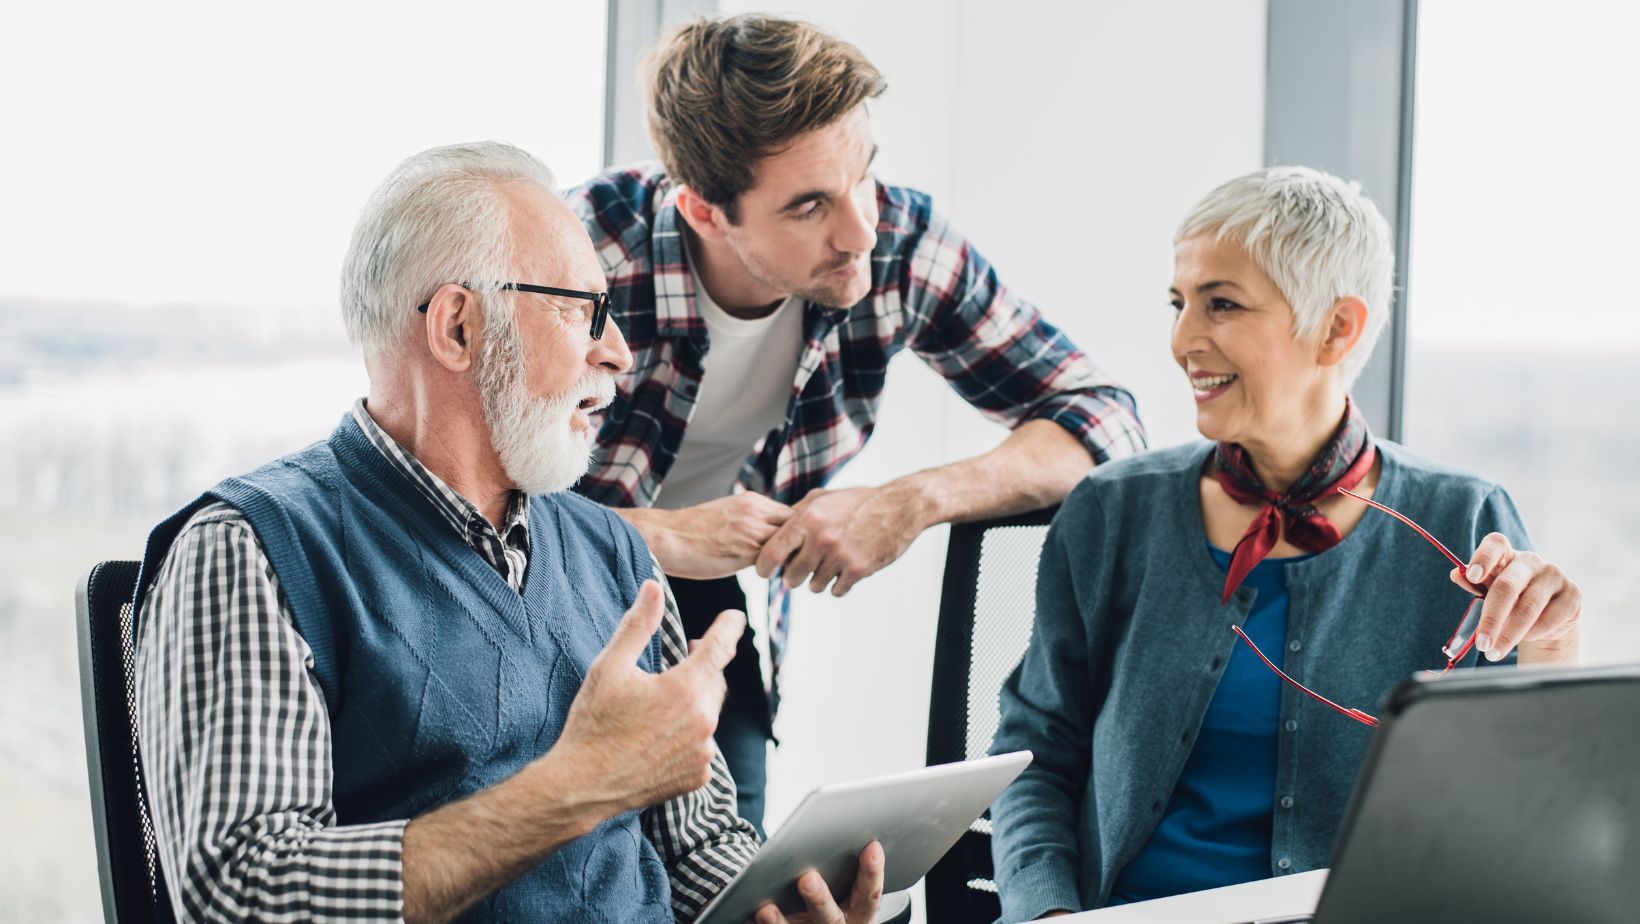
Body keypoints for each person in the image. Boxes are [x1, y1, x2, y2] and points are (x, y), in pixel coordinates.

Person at [133, 141, 884, 924]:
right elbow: (241, 895)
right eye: (579, 310)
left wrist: (783, 906)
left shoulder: (614, 551)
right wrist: (574, 789)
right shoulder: (249, 550)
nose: (618, 353)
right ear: (458, 327)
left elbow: (696, 847)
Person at [567, 13, 1148, 831]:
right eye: (809, 206)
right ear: (702, 211)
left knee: (734, 881)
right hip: (530, 600)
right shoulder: (583, 259)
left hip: (708, 605)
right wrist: (662, 539)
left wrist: (910, 500)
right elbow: (446, 512)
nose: (860, 231)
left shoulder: (899, 246)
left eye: (863, 176)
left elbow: (1104, 421)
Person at [988, 166, 1582, 921]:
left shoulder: (1462, 520)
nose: (1181, 341)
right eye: (1178, 304)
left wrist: (1552, 645)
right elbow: (1033, 756)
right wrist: (1045, 913)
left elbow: (1529, 810)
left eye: (1222, 305)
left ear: (1338, 328)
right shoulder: (1112, 511)